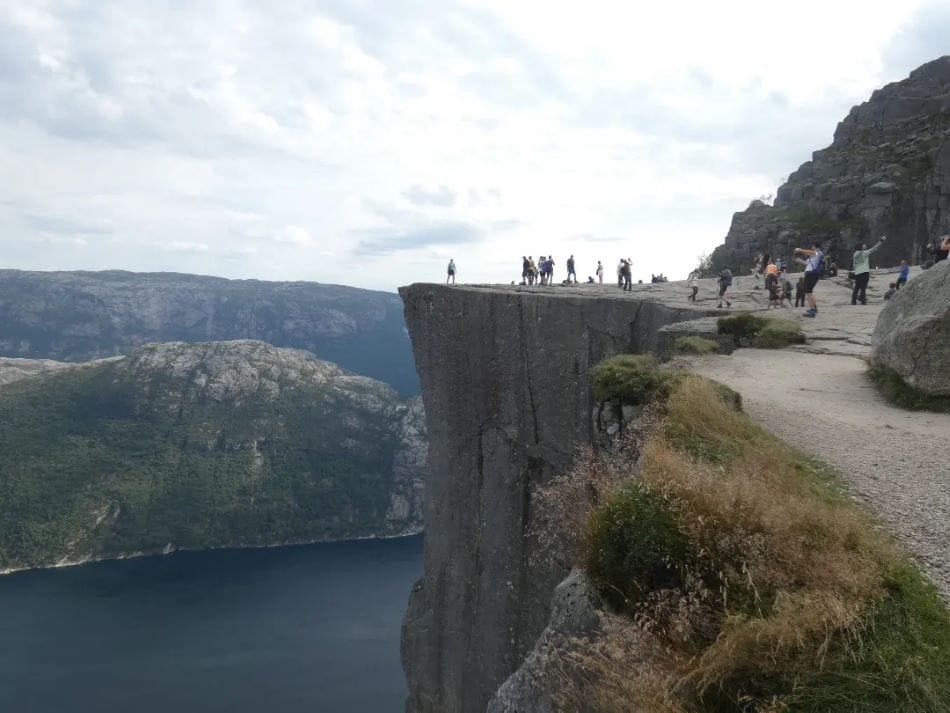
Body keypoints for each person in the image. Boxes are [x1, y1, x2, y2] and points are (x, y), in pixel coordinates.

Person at [850, 235, 886, 305]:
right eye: (863, 245)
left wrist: (856, 270)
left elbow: (854, 265)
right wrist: (881, 241)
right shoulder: (865, 253)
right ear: (861, 247)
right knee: (863, 288)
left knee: (856, 287)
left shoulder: (854, 254)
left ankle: (853, 301)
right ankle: (863, 301)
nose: (864, 245)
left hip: (857, 273)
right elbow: (875, 248)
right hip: (864, 272)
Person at [794, 242, 824, 317]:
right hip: (813, 274)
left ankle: (812, 311)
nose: (811, 248)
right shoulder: (818, 255)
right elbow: (806, 263)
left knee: (808, 292)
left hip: (811, 274)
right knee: (810, 291)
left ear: (814, 246)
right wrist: (799, 261)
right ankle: (814, 307)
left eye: (812, 246)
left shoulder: (816, 253)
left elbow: (808, 252)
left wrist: (799, 250)